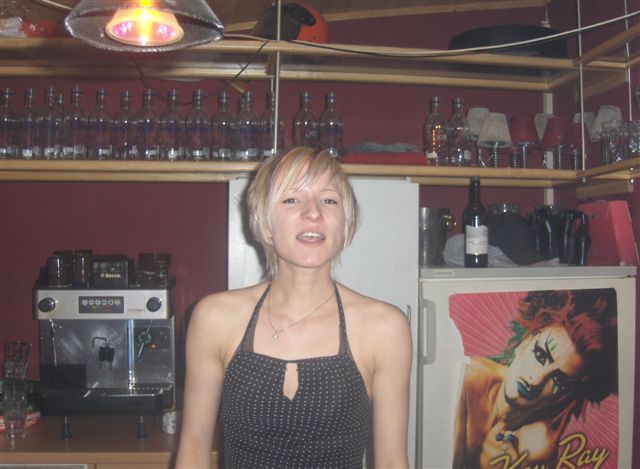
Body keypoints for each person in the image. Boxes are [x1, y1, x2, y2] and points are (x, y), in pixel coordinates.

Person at [176, 147, 412, 468]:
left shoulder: (385, 328)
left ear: (348, 226)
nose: (313, 212)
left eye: (329, 200)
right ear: (266, 225)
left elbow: (392, 462)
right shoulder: (214, 319)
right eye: (291, 199)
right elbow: (193, 451)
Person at [453, 288, 618, 468]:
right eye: (540, 355)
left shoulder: (538, 445)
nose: (536, 381)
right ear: (525, 341)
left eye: (559, 380)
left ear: (566, 394)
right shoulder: (468, 380)